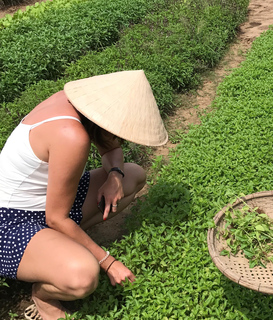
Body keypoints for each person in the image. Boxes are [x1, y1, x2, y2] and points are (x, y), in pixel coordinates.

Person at [0, 70, 168, 320]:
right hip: (10, 222)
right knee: (83, 277)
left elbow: (111, 148)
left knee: (132, 175)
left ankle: (61, 245)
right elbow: (56, 217)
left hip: (48, 203)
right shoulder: (71, 135)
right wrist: (108, 261)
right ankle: (44, 295)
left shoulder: (75, 106)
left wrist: (114, 175)